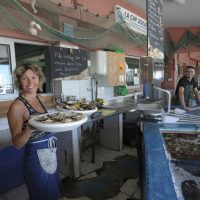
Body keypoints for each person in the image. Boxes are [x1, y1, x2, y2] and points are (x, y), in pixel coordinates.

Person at [7, 64, 61, 200]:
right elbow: (17, 144)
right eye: (24, 78)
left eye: (33, 77)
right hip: (35, 158)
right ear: (19, 82)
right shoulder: (17, 106)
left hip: (50, 152)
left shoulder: (39, 99)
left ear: (39, 79)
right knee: (41, 194)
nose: (30, 82)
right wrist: (30, 127)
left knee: (53, 191)